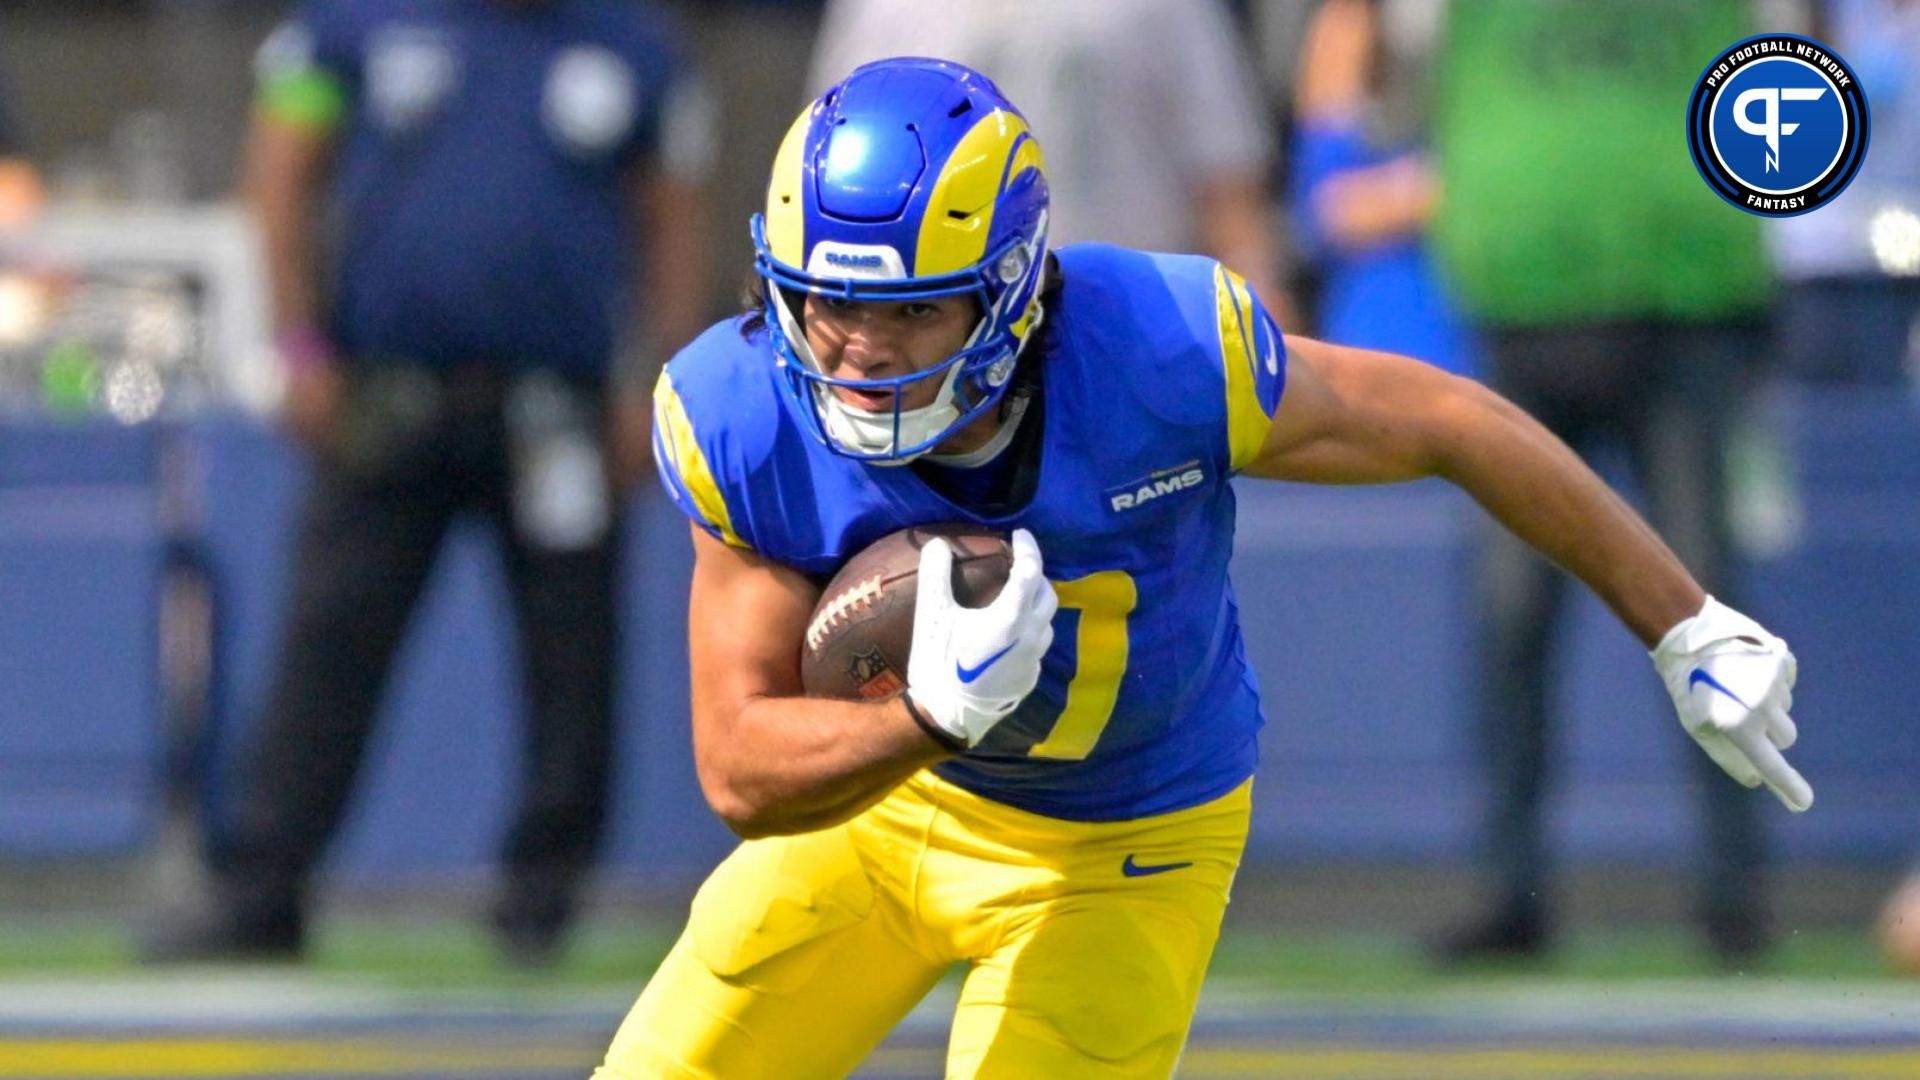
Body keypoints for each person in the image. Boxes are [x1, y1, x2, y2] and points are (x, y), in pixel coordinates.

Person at [597, 58, 1812, 1078]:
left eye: (913, 313)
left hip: (1124, 845)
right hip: (879, 819)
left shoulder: (1166, 353)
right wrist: (927, 720)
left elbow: (1449, 418)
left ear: (1012, 288)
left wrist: (1683, 621)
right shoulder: (743, 409)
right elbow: (741, 769)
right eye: (823, 306)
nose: (858, 355)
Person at [142, 0, 711, 967]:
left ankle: (544, 898)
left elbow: (672, 216)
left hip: (556, 406)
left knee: (574, 659)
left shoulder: (631, 43)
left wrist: (661, 379)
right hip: (388, 392)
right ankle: (261, 889)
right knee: (328, 648)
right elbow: (280, 173)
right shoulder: (350, 23)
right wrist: (296, 342)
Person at [1426, 0, 1780, 964]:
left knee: (1704, 603)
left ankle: (1735, 892)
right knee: (1511, 615)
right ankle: (1509, 885)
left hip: (1682, 298)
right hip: (1531, 305)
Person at [806, 0, 1292, 316]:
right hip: (937, 331)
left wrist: (1264, 309)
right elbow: (829, 180)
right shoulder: (880, 9)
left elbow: (1227, 183)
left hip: (1123, 328)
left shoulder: (1168, 9)